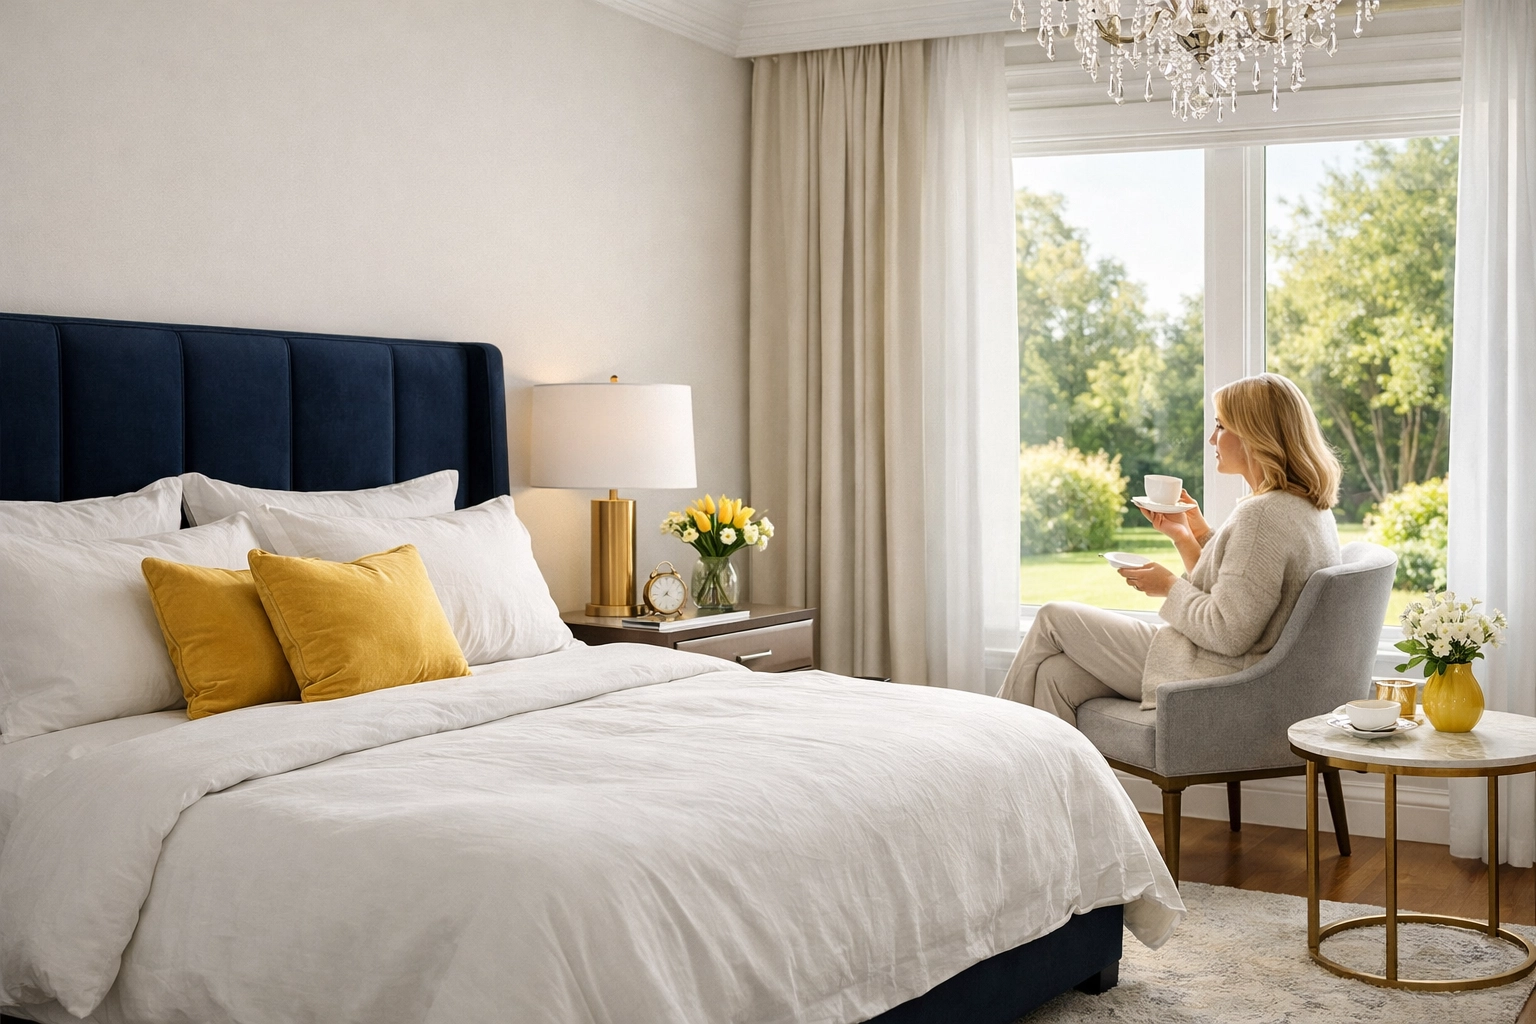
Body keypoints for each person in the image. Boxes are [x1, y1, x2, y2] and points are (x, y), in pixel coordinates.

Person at [998, 373, 1343, 725]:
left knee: (1054, 616)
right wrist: (1191, 534)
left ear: (1256, 436)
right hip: (1230, 667)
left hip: (1218, 671)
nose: (1212, 438)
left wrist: (1167, 586)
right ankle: (1047, 780)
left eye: (1221, 427)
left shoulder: (1263, 515)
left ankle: (988, 735)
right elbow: (1241, 588)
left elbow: (1227, 632)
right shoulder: (1304, 508)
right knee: (1056, 676)